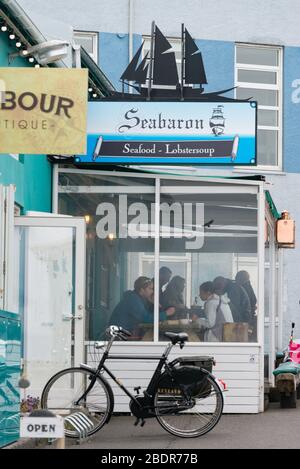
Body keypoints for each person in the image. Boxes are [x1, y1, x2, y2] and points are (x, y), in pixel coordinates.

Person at [109, 276, 175, 339]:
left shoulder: (136, 298)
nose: (152, 291)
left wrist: (154, 304)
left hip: (123, 333)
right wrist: (166, 313)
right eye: (150, 289)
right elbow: (146, 318)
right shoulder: (133, 300)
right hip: (119, 337)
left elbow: (147, 314)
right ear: (142, 289)